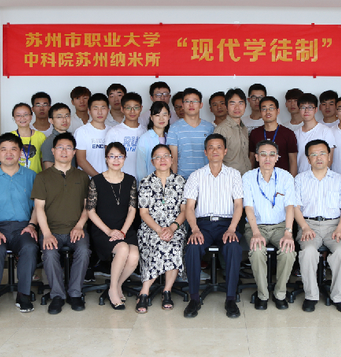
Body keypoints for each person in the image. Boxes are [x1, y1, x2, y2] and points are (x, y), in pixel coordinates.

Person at [0, 133, 39, 321]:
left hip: (23, 226)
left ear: (20, 152)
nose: (9, 153)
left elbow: (38, 206)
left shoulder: (31, 176)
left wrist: (32, 224)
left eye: (13, 149)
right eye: (4, 149)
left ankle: (23, 294)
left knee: (30, 247)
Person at [182, 134, 243, 319]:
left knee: (233, 247)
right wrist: (194, 229)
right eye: (211, 147)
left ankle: (230, 298)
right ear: (205, 152)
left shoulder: (234, 174)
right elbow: (189, 207)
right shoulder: (196, 176)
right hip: (203, 225)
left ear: (225, 151)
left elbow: (238, 205)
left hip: (227, 224)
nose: (215, 151)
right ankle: (194, 298)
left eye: (219, 147)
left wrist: (232, 228)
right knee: (192, 247)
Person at [32, 132, 91, 314]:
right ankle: (57, 295)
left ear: (74, 152)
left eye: (68, 148)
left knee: (83, 251)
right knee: (49, 254)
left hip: (76, 229)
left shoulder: (82, 177)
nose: (64, 151)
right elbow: (39, 208)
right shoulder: (42, 177)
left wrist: (79, 226)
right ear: (53, 151)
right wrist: (46, 234)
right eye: (60, 147)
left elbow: (87, 207)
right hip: (51, 230)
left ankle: (75, 293)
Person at [294, 140, 341, 313]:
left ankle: (338, 296)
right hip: (308, 225)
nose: (318, 158)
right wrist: (304, 227)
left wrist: (340, 228)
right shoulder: (300, 179)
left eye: (322, 153)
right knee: (308, 252)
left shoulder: (339, 179)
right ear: (308, 159)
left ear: (329, 156)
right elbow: (295, 207)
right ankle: (311, 296)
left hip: (334, 225)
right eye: (314, 154)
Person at [243, 140, 296, 310]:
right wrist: (255, 232)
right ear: (256, 157)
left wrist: (288, 232)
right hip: (256, 226)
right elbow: (248, 207)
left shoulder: (286, 177)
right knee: (257, 251)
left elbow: (290, 206)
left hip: (280, 226)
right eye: (263, 154)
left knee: (288, 251)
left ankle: (280, 293)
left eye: (272, 154)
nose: (268, 158)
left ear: (277, 157)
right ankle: (262, 294)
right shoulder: (248, 177)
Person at [87, 142, 139, 311]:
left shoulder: (130, 180)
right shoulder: (96, 181)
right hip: (103, 230)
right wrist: (109, 231)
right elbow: (90, 211)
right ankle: (113, 291)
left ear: (124, 158)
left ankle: (116, 285)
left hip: (125, 229)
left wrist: (123, 231)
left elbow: (132, 209)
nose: (116, 160)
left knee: (134, 256)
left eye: (120, 156)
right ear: (106, 159)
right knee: (123, 249)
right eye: (112, 156)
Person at [137, 144, 187, 313]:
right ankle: (145, 291)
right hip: (151, 228)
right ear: (152, 162)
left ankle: (167, 290)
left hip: (175, 228)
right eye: (158, 157)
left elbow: (184, 210)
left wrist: (172, 228)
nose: (162, 160)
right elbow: (143, 213)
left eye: (166, 156)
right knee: (156, 243)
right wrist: (159, 230)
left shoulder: (181, 181)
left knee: (174, 244)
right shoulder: (145, 182)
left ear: (172, 160)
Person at [167, 87, 214, 179]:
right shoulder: (174, 128)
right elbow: (174, 159)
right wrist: (173, 180)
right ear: (182, 105)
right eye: (187, 101)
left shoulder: (209, 128)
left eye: (195, 101)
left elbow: (213, 156)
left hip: (205, 178)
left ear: (201, 105)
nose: (191, 104)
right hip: (182, 179)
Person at [249, 96, 298, 176]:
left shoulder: (288, 133)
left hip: (282, 179)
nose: (267, 112)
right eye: (264, 109)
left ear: (278, 111)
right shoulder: (254, 133)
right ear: (260, 112)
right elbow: (251, 159)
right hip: (260, 178)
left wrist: (292, 180)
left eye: (271, 108)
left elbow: (293, 161)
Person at [105, 92, 146, 178]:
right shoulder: (114, 132)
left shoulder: (145, 131)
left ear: (141, 108)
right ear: (122, 109)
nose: (132, 111)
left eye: (136, 107)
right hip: (121, 179)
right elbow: (108, 159)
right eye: (128, 108)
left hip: (143, 179)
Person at [294, 93, 335, 174]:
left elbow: (329, 159)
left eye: (310, 107)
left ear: (316, 110)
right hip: (301, 176)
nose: (306, 111)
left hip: (320, 177)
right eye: (303, 107)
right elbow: (294, 160)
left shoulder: (325, 131)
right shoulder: (295, 133)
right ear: (299, 110)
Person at [214, 88, 252, 175]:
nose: (237, 107)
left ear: (245, 106)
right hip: (230, 178)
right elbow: (216, 159)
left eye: (240, 103)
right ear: (226, 107)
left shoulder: (244, 128)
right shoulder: (221, 130)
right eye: (232, 103)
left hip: (246, 176)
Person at [74, 93, 110, 177]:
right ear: (89, 111)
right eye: (95, 108)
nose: (100, 112)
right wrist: (99, 178)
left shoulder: (112, 131)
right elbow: (81, 161)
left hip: (110, 179)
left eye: (103, 108)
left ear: (108, 110)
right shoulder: (82, 132)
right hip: (88, 180)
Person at [136, 101, 171, 181]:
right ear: (151, 117)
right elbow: (141, 167)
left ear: (169, 116)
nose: (161, 119)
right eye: (157, 115)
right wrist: (143, 184)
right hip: (150, 183)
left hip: (168, 183)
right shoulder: (145, 138)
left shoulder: (170, 137)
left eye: (164, 115)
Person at [11, 102, 46, 174]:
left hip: (36, 177)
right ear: (14, 118)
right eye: (18, 115)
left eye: (26, 114)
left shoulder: (41, 136)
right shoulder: (9, 137)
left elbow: (43, 160)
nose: (22, 118)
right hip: (15, 178)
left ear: (31, 116)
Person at [41, 103, 74, 170]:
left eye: (67, 116)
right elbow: (49, 169)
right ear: (51, 120)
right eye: (59, 117)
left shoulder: (72, 138)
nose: (64, 120)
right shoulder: (49, 142)